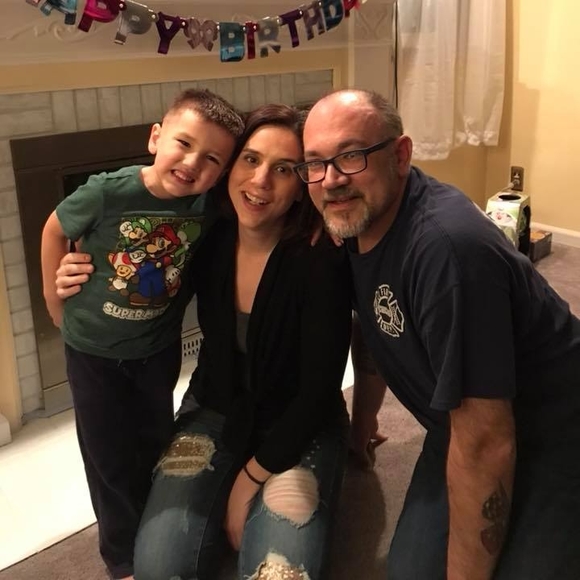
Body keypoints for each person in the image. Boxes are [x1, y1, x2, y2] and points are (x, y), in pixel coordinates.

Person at [55, 104, 353, 580]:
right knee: (158, 566)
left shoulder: (321, 258)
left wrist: (247, 482)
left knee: (277, 572)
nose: (260, 181)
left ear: (302, 185)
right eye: (250, 160)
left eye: (284, 169)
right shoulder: (203, 238)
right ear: (230, 168)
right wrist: (77, 265)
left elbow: (318, 394)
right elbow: (133, 253)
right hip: (215, 407)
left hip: (300, 424)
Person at [296, 88, 580, 580]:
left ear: (400, 155)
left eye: (351, 156)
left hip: (554, 431)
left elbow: (486, 443)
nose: (332, 179)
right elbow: (374, 320)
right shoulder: (356, 223)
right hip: (459, 419)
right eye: (315, 163)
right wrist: (363, 421)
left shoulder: (447, 251)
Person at [40, 88, 244, 580]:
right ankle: (122, 558)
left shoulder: (208, 207)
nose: (192, 163)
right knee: (107, 455)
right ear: (156, 137)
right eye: (184, 143)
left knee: (155, 442)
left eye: (212, 158)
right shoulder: (109, 191)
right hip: (92, 352)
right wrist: (54, 305)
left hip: (157, 349)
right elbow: (54, 228)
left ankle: (158, 529)